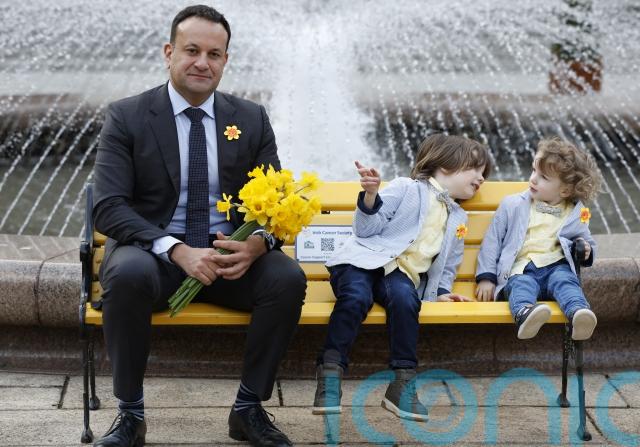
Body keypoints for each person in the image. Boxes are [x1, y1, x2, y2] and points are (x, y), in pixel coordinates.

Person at [92, 5, 305, 447]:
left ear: (225, 60)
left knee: (286, 278)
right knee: (126, 273)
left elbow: (278, 201)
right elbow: (108, 207)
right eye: (191, 50)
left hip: (230, 259)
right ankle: (130, 414)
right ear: (169, 52)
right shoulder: (128, 116)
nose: (202, 63)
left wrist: (258, 244)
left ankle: (248, 409)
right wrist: (175, 249)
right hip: (156, 257)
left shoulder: (251, 118)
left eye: (214, 54)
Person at [312, 134, 491, 421]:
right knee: (356, 297)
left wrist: (440, 291)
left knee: (407, 301)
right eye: (475, 169)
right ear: (445, 165)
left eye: (484, 173)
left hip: (400, 274)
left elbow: (448, 264)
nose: (481, 178)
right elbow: (365, 230)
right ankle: (330, 374)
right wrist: (371, 197)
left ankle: (402, 383)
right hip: (361, 262)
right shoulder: (406, 187)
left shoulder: (459, 217)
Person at [475, 137, 601, 341]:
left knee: (566, 282)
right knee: (520, 285)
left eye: (543, 177)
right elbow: (492, 242)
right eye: (534, 170)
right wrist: (486, 278)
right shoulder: (513, 205)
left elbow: (585, 240)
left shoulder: (575, 212)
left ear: (565, 190)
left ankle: (579, 314)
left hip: (556, 266)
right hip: (522, 268)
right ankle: (525, 314)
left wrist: (586, 249)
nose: (533, 179)